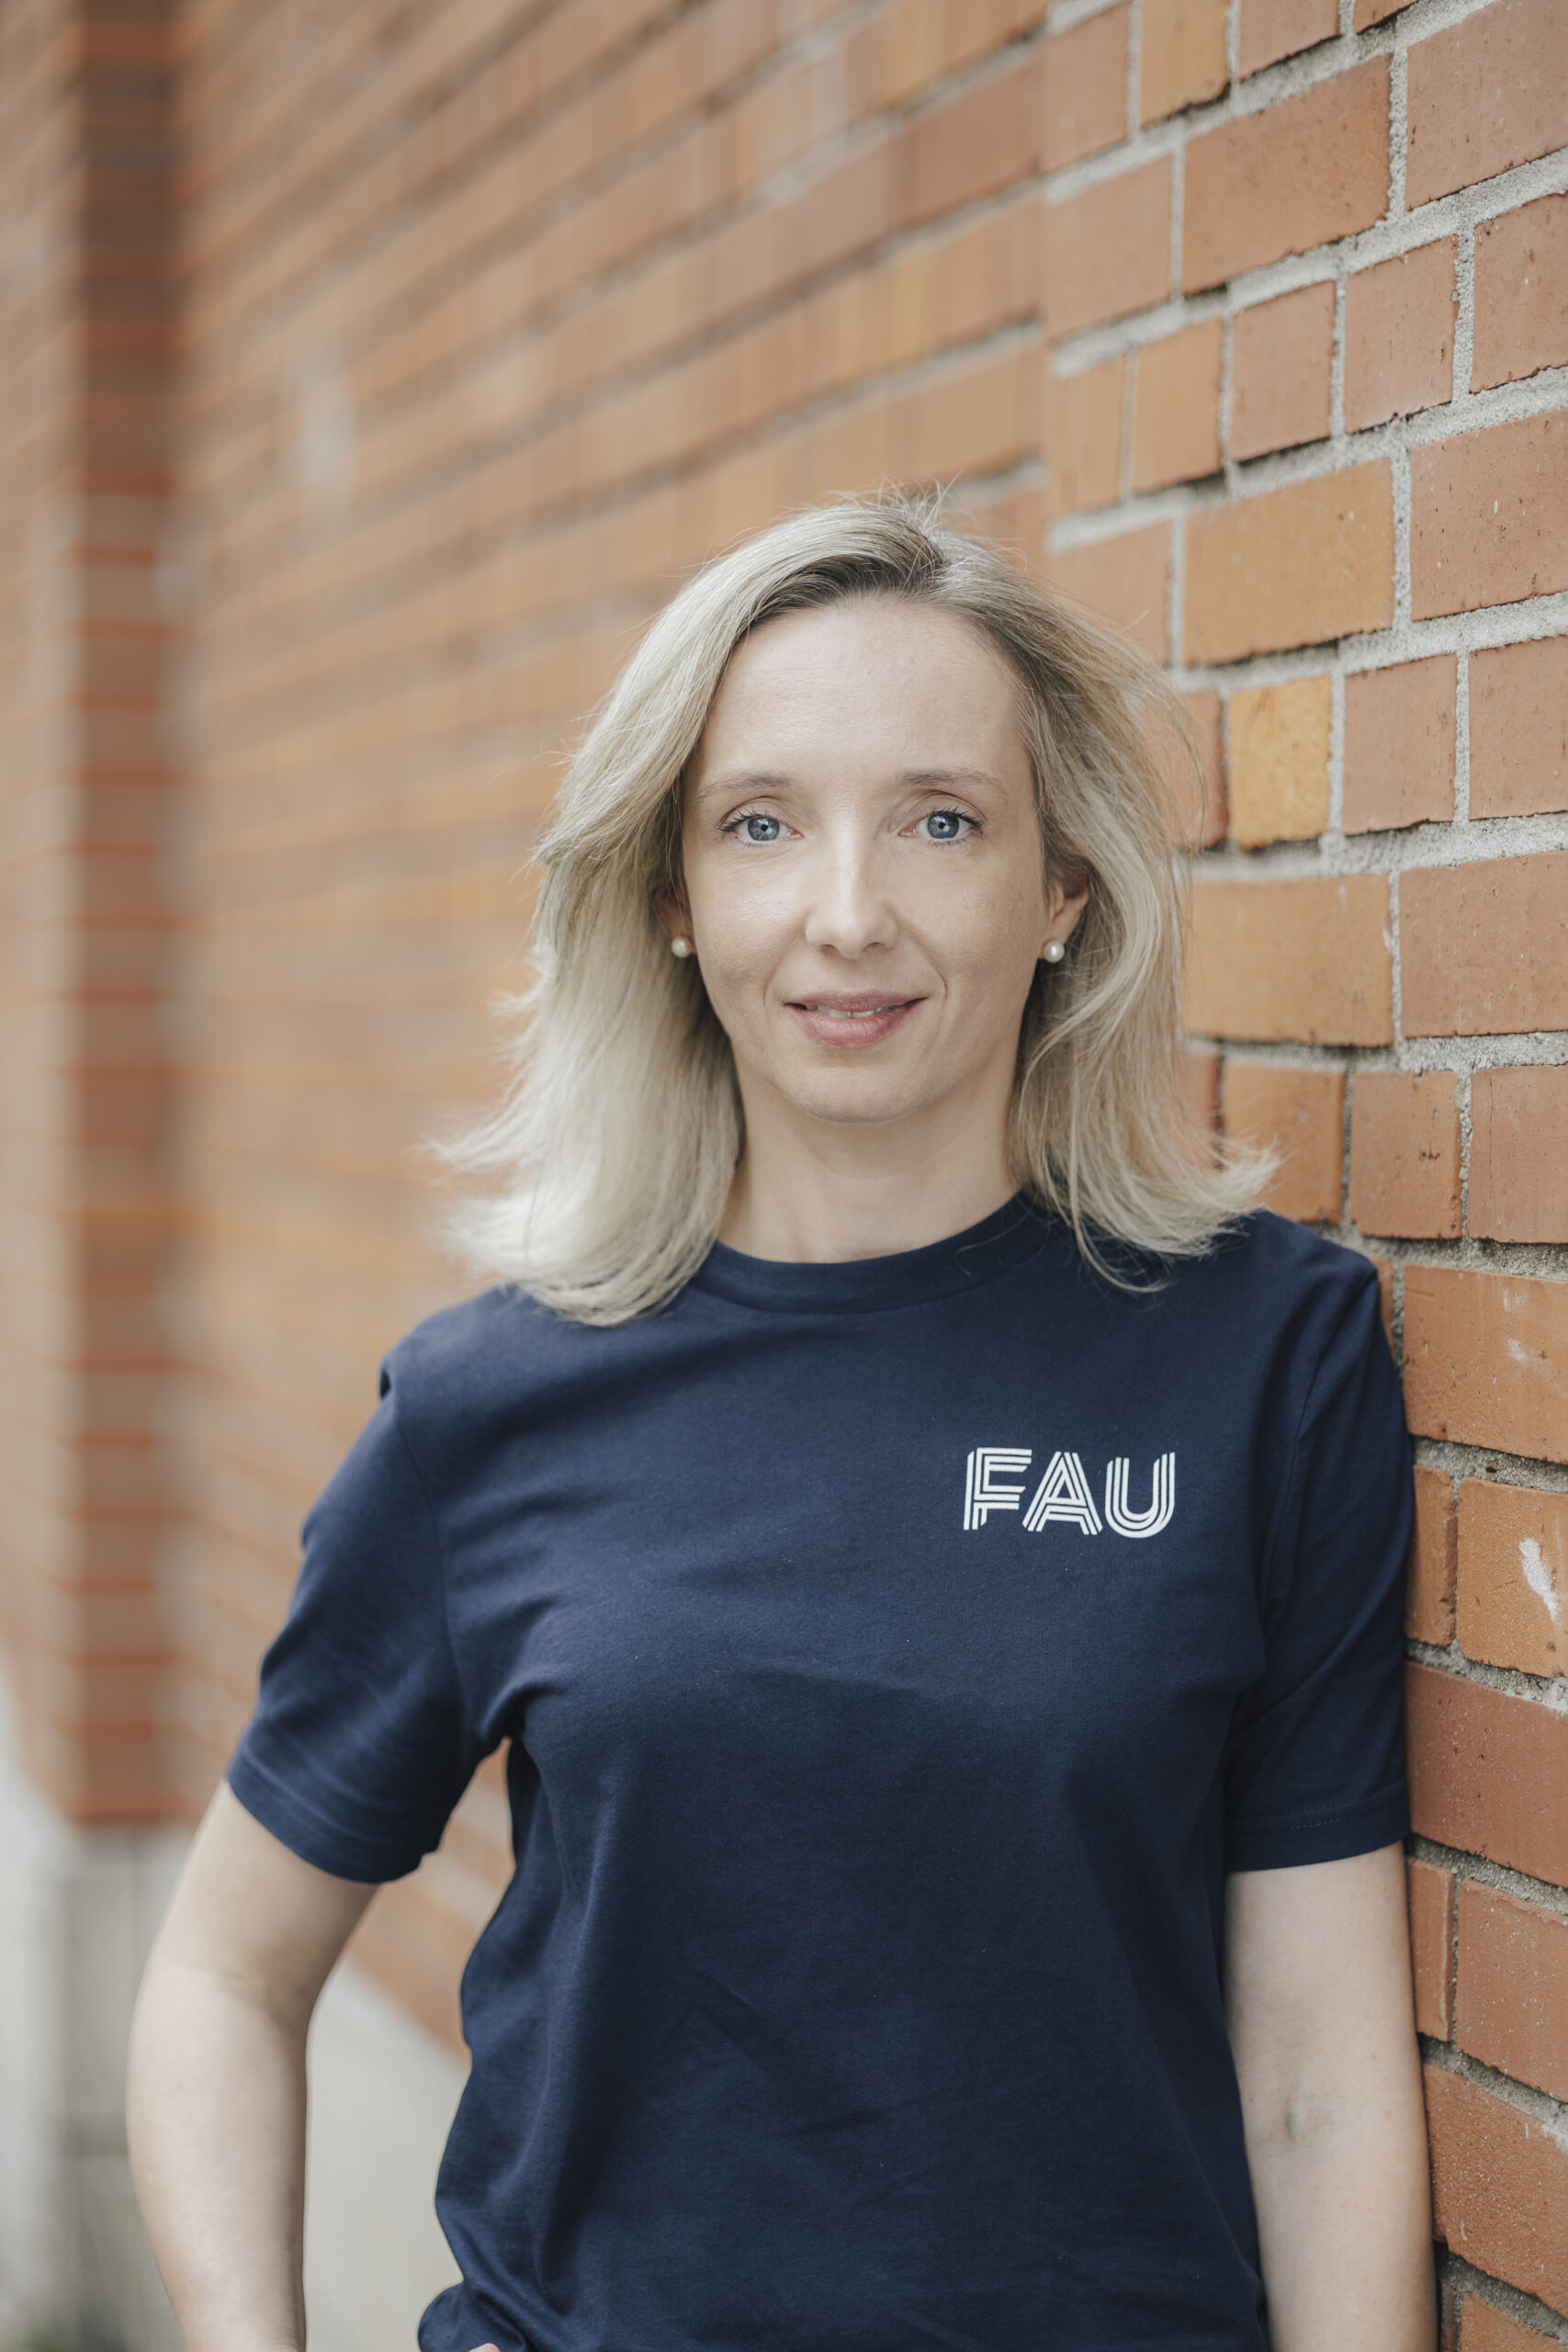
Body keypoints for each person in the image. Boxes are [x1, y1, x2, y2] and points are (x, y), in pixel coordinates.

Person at [128, 495, 1436, 2352]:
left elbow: (1312, 2069)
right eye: (759, 823)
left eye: (938, 818)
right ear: (672, 897)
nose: (845, 911)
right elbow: (221, 1973)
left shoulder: (1258, 1357)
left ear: (1060, 887)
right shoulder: (491, 1401)